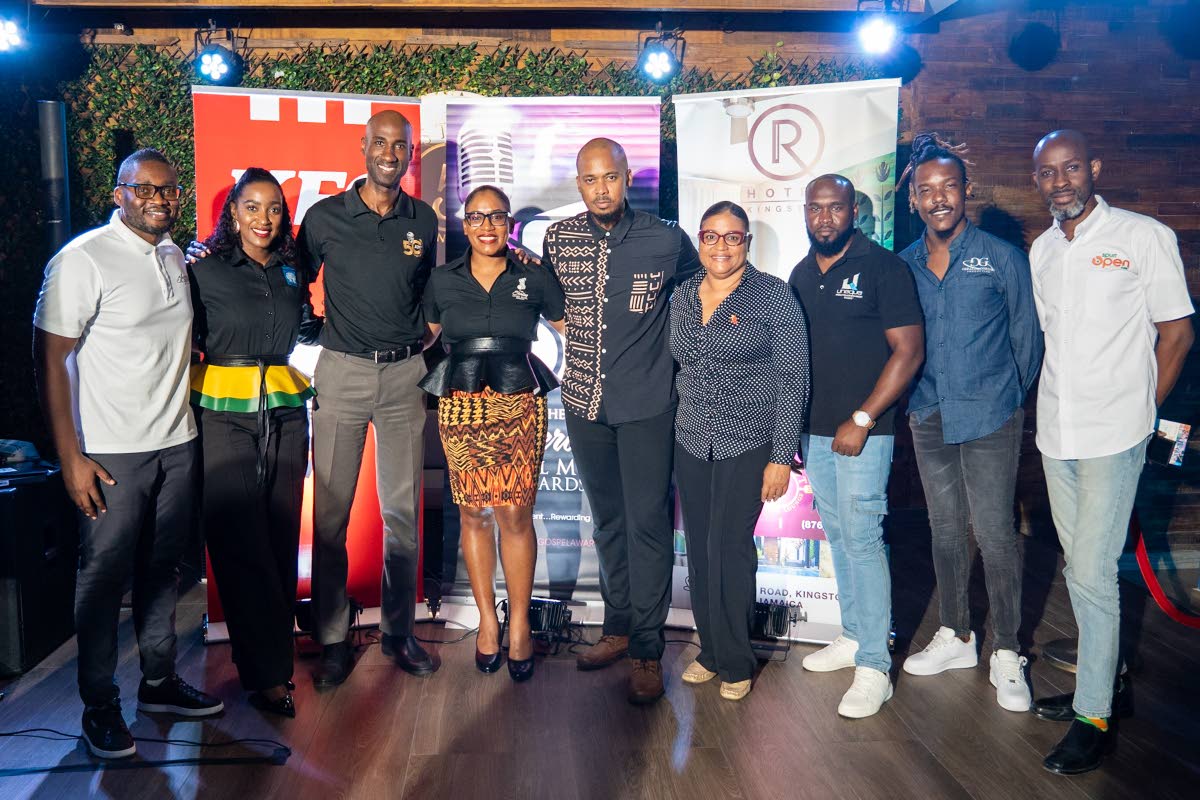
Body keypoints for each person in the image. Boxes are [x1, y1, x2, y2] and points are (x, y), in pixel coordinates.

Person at [33, 148, 223, 760]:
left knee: (163, 572)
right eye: (144, 188)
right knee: (103, 580)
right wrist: (70, 457)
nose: (159, 198)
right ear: (120, 192)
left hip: (177, 442)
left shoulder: (172, 254)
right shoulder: (82, 259)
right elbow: (53, 359)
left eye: (168, 189)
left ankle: (160, 684)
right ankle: (98, 704)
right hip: (112, 453)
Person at [1027, 130, 1193, 775]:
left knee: (1092, 571)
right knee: (1081, 564)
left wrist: (1142, 412)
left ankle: (1094, 713)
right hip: (1056, 431)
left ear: (1094, 169)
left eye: (1071, 168)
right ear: (1037, 180)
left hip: (1115, 431)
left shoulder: (1142, 237)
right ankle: (1107, 678)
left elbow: (1176, 333)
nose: (1060, 181)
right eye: (1047, 172)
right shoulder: (1042, 250)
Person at [541, 137, 700, 704]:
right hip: (584, 403)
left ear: (628, 177)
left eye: (610, 177)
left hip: (648, 405)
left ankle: (648, 650)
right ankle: (617, 626)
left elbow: (694, 300)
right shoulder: (558, 239)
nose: (601, 188)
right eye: (590, 180)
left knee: (648, 526)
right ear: (578, 184)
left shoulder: (666, 240)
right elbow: (553, 308)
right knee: (607, 522)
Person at [896, 134, 1043, 712]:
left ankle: (1007, 648)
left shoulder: (1002, 258)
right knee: (946, 530)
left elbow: (1027, 344)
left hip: (990, 415)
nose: (938, 199)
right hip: (928, 414)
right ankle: (957, 634)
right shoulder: (903, 265)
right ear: (913, 200)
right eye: (926, 191)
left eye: (948, 187)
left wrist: (1005, 401)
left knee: (996, 532)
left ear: (966, 192)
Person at [296, 110, 438, 685]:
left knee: (402, 515)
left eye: (399, 145)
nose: (389, 152)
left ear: (409, 153)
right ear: (363, 148)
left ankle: (398, 634)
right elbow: (290, 278)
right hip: (342, 375)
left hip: (405, 378)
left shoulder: (422, 219)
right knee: (329, 516)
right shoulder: (326, 216)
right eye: (379, 142)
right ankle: (332, 638)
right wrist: (312, 330)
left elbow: (433, 292)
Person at [789, 174, 925, 719]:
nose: (825, 218)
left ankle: (874, 665)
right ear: (806, 212)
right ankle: (852, 635)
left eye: (836, 208)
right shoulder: (801, 273)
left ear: (854, 213)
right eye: (816, 208)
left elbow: (909, 351)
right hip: (814, 430)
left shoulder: (884, 268)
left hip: (865, 431)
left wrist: (864, 418)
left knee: (863, 537)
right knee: (841, 535)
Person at [419, 185, 566, 682]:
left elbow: (571, 326)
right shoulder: (441, 280)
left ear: (509, 223)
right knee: (472, 512)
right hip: (462, 404)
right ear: (465, 223)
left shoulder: (533, 277)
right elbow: (426, 335)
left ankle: (519, 623)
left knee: (515, 512)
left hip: (519, 401)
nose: (487, 226)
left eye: (497, 217)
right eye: (477, 217)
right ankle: (487, 622)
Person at [671, 201, 809, 701]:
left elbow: (792, 378)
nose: (722, 246)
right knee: (702, 550)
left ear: (747, 242)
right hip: (691, 439)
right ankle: (710, 649)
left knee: (730, 548)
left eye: (734, 237)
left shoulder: (773, 296)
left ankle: (736, 658)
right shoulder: (683, 296)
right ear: (700, 240)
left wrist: (780, 454)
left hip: (746, 441)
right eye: (712, 236)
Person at [188, 168, 314, 717]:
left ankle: (273, 664)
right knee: (239, 542)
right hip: (222, 412)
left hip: (285, 411)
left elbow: (308, 327)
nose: (265, 219)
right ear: (233, 212)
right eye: (253, 207)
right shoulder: (202, 270)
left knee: (282, 537)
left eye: (275, 209)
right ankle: (264, 671)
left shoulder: (292, 269)